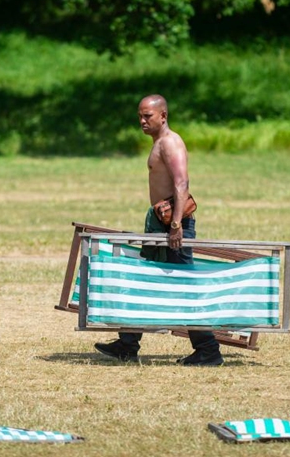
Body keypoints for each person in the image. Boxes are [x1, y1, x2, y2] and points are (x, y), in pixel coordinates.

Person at [93, 94, 223, 367]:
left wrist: (176, 226)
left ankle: (209, 350)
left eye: (147, 116)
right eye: (139, 116)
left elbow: (181, 183)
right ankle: (127, 345)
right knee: (143, 279)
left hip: (173, 225)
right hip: (159, 222)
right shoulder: (158, 143)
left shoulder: (171, 142)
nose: (142, 121)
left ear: (163, 116)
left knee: (184, 285)